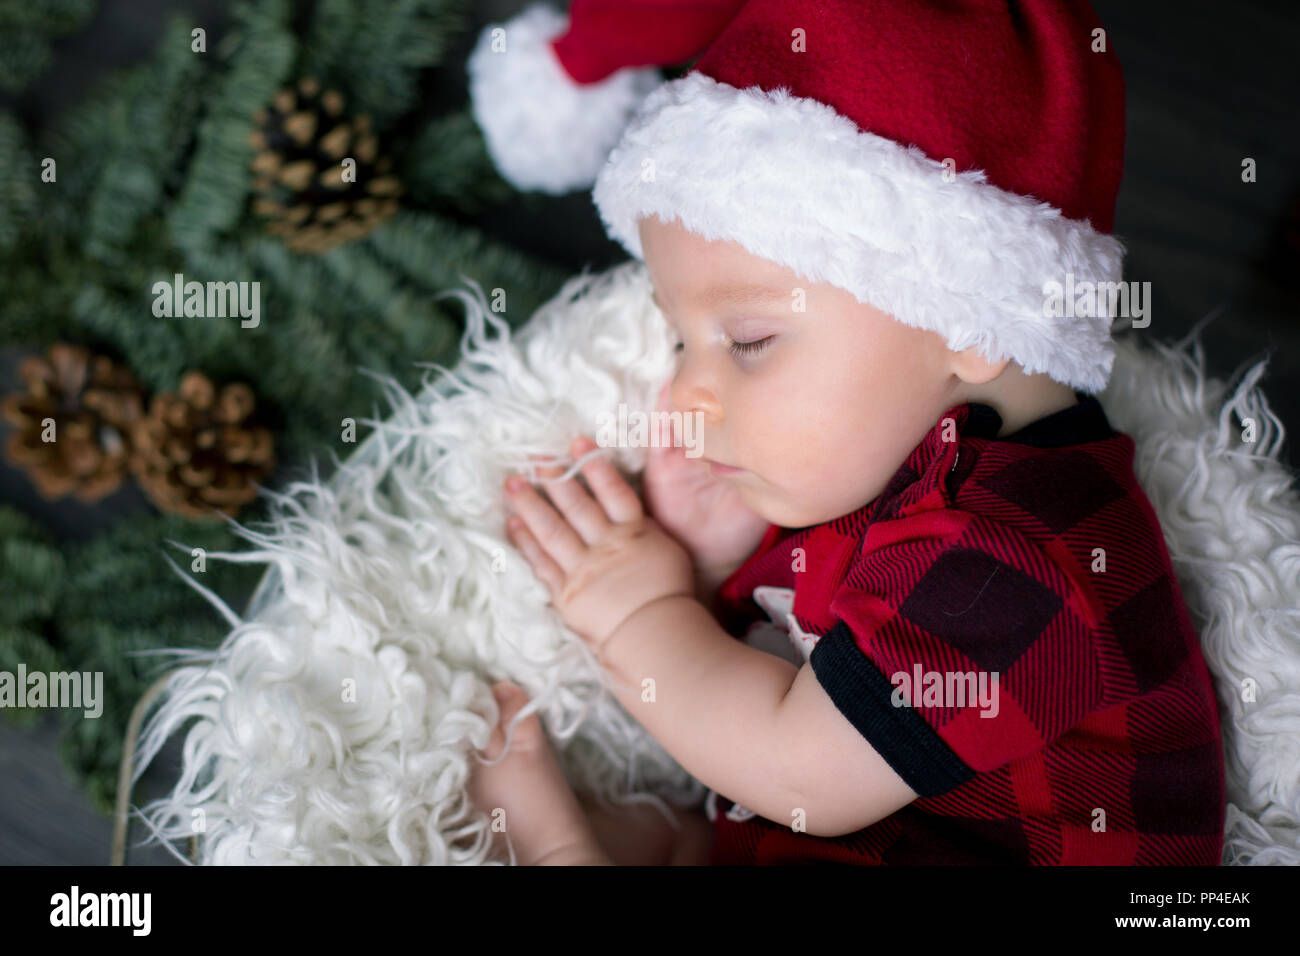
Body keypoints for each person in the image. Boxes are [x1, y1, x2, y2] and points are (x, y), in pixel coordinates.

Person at [465, 0, 1226, 865]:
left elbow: (800, 777)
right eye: (681, 339)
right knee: (676, 837)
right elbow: (805, 663)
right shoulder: (896, 457)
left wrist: (640, 609)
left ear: (966, 317)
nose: (682, 388)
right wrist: (720, 563)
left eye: (748, 340)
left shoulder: (1022, 557)